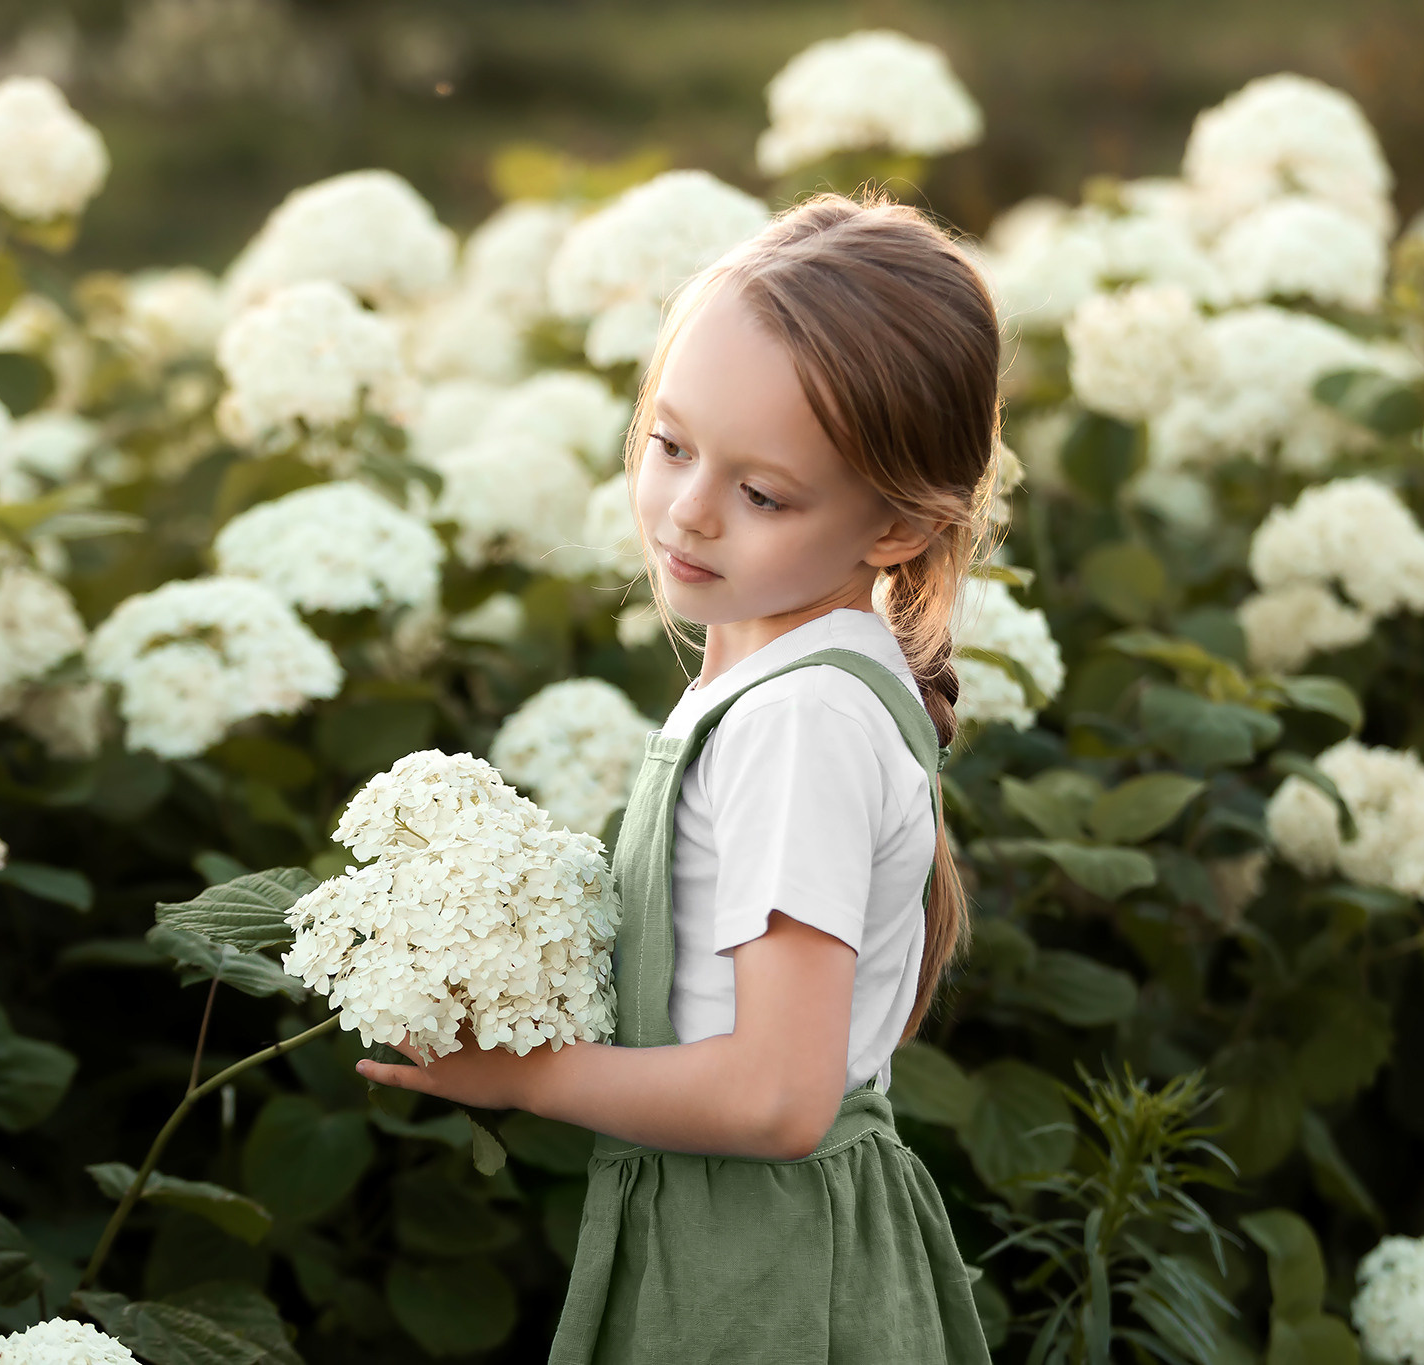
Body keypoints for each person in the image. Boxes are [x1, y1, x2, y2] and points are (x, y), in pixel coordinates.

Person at [356, 188, 1003, 1364]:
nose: (689, 513)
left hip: (755, 1271)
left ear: (895, 531)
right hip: (761, 1239)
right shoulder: (787, 682)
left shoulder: (796, 723)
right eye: (668, 444)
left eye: (760, 494)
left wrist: (521, 1074)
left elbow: (775, 1096)